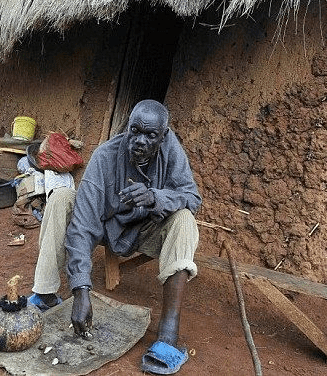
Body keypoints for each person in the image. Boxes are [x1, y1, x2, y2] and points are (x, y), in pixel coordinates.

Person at [29, 99, 201, 374]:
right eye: (135, 131)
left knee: (185, 220)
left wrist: (155, 196)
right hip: (106, 228)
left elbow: (192, 197)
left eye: (150, 135)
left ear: (163, 136)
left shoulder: (172, 151)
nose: (140, 141)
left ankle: (168, 336)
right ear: (126, 128)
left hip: (147, 230)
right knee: (61, 198)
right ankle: (45, 293)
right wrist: (81, 291)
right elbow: (83, 226)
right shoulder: (105, 156)